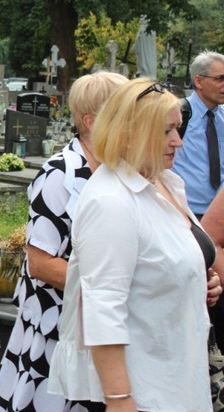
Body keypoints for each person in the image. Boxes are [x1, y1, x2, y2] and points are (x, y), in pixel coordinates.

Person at [49, 79, 219, 411]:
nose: (178, 142)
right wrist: (119, 398)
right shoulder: (113, 200)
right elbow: (102, 308)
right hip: (144, 387)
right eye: (167, 131)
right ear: (131, 132)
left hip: (176, 372)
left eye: (178, 129)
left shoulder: (164, 182)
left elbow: (160, 262)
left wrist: (199, 280)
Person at [0, 71, 128, 412]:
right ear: (92, 121)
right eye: (124, 113)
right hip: (58, 327)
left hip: (101, 322)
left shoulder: (121, 169)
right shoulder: (60, 174)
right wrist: (114, 289)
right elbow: (41, 262)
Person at [171, 50, 224, 219]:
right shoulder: (178, 114)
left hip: (218, 214)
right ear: (199, 81)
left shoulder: (222, 117)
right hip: (185, 212)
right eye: (219, 79)